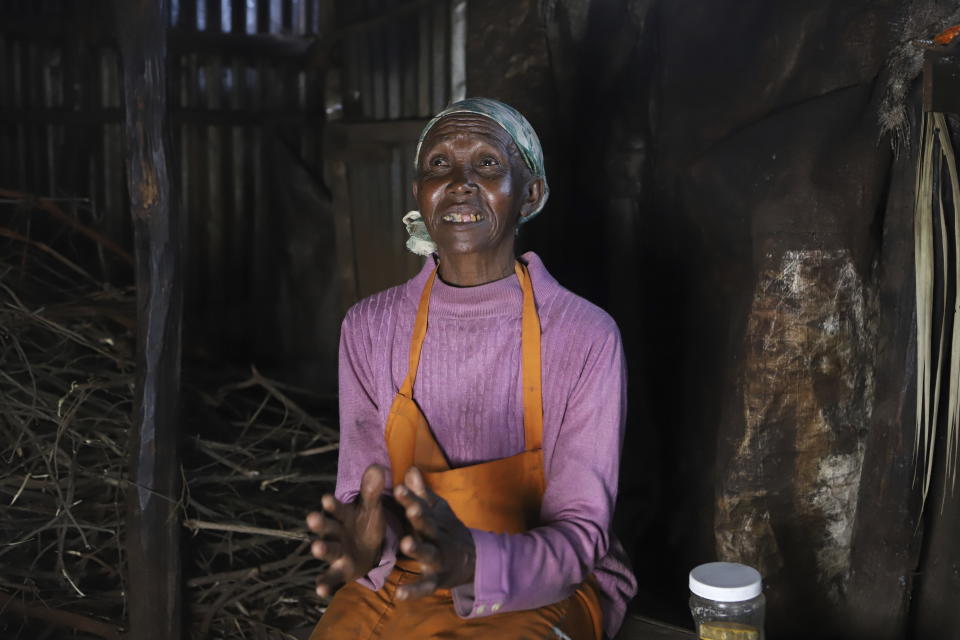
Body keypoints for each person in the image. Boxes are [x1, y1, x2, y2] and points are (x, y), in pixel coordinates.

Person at [306, 98, 637, 640]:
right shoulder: (369, 328)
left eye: (486, 163)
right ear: (419, 192)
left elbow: (579, 537)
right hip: (410, 574)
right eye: (438, 165)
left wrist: (475, 562)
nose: (459, 182)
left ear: (531, 193)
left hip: (547, 583)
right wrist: (370, 539)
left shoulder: (584, 334)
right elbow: (366, 494)